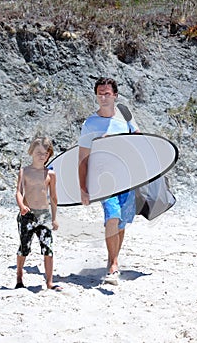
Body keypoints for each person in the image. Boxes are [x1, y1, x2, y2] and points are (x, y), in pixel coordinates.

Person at [78, 77, 139, 285]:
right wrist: (83, 188)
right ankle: (113, 264)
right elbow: (83, 158)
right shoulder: (90, 124)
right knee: (112, 216)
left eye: (107, 93)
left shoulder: (125, 117)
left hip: (127, 178)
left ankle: (112, 259)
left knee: (121, 222)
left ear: (115, 95)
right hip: (104, 179)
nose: (103, 97)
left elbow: (140, 142)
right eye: (99, 93)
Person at [15, 135, 62, 291]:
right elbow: (19, 192)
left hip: (44, 215)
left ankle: (49, 282)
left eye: (45, 153)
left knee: (48, 248)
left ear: (49, 155)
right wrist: (21, 205)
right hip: (27, 215)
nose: (42, 156)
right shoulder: (25, 171)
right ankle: (19, 277)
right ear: (31, 152)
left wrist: (54, 218)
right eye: (39, 153)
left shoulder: (50, 174)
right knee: (24, 247)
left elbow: (54, 197)